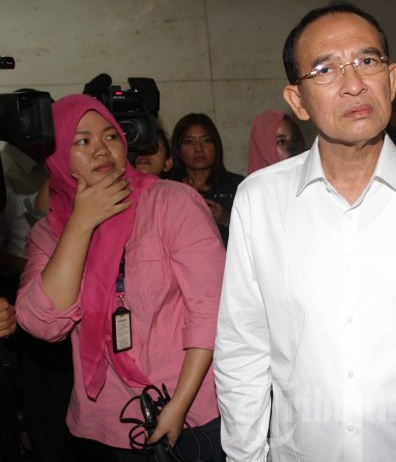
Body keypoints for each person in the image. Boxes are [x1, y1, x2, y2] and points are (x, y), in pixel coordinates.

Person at [214, 2, 396, 462]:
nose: (353, 83)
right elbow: (243, 348)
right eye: (325, 69)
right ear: (297, 101)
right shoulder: (260, 200)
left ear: (391, 79)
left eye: (367, 61)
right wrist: (244, 456)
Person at [14, 95, 225, 461]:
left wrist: (178, 405)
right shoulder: (49, 234)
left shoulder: (170, 202)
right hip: (113, 415)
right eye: (82, 141)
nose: (101, 149)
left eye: (110, 136)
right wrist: (81, 224)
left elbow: (210, 310)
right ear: (58, 155)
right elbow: (43, 324)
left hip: (192, 406)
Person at [169, 113, 245, 246]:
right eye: (189, 142)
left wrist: (226, 220)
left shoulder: (238, 186)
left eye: (206, 140)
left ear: (217, 146)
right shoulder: (168, 189)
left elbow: (256, 233)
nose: (199, 149)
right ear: (178, 150)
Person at [247, 110, 305, 174]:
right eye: (281, 142)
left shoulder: (310, 176)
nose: (291, 147)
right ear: (262, 149)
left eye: (295, 139)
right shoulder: (257, 180)